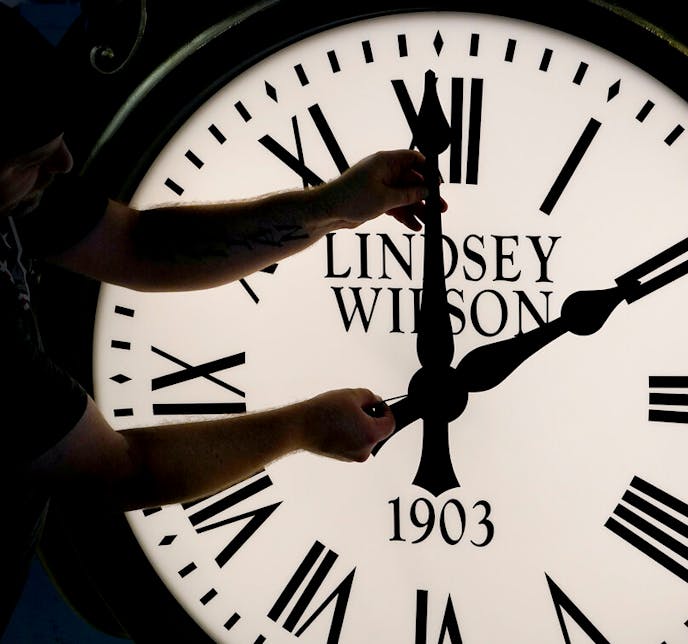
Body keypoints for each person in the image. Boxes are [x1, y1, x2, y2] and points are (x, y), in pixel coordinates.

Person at [0, 5, 441, 635]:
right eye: (32, 158)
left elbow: (138, 244)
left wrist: (333, 207)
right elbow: (118, 470)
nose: (64, 165)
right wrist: (302, 428)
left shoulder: (17, 190)